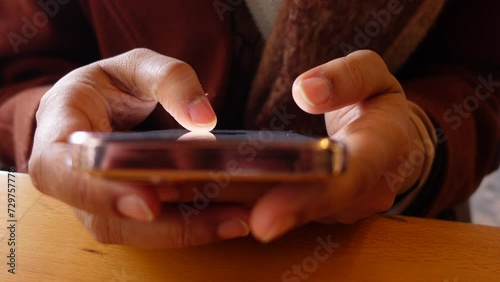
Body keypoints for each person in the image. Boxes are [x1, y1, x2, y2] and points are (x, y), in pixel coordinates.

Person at [0, 0, 498, 248]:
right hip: (113, 254)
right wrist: (52, 114)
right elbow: (19, 65)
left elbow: (483, 72)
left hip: (387, 244)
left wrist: (417, 140)